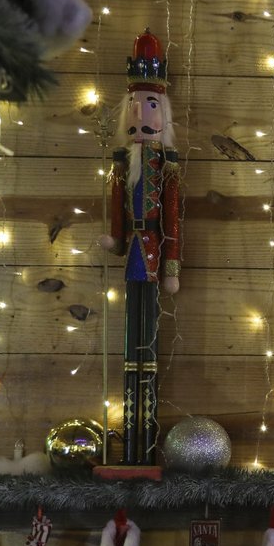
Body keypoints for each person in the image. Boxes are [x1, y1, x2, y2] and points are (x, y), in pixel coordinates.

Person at [96, 29, 182, 471]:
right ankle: (129, 444)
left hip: (151, 250)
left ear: (161, 111)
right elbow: (116, 207)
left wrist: (172, 266)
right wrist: (113, 236)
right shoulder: (121, 164)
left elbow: (174, 220)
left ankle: (145, 445)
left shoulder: (167, 167)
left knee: (148, 344)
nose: (140, 111)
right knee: (131, 346)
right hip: (131, 248)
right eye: (135, 103)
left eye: (150, 104)